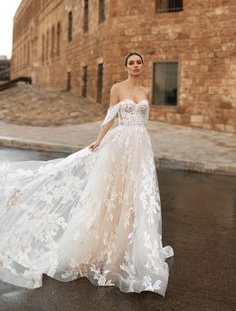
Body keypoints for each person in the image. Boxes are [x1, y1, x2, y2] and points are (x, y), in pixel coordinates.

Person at [0, 52, 174, 297]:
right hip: (120, 143)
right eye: (131, 62)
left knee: (136, 194)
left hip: (140, 146)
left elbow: (145, 119)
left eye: (138, 62)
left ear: (143, 66)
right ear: (126, 66)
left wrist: (142, 143)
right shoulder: (117, 88)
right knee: (111, 192)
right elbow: (110, 117)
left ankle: (131, 245)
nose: (135, 66)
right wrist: (98, 140)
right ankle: (101, 245)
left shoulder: (147, 91)